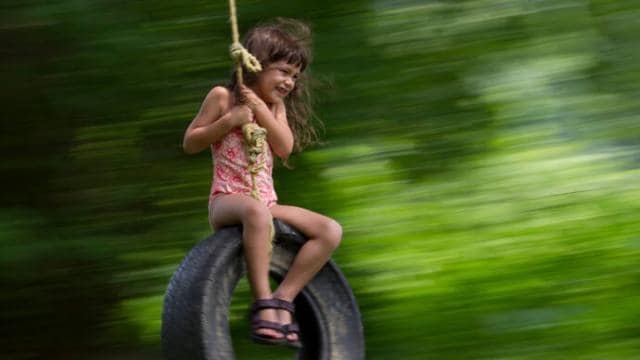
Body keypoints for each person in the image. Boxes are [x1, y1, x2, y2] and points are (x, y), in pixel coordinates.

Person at [182, 18, 342, 349]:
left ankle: (284, 297)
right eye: (283, 71)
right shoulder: (223, 98)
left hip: (265, 201)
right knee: (257, 213)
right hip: (227, 198)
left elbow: (284, 146)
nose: (289, 82)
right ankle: (263, 303)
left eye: (295, 76)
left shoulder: (275, 107)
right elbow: (191, 142)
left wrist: (259, 110)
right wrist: (230, 121)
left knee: (330, 230)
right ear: (256, 63)